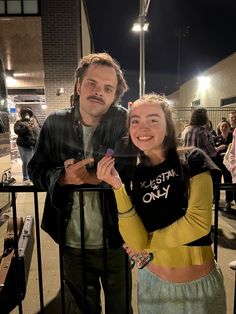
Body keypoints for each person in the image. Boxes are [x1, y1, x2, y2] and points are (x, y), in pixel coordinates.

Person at [97, 93, 226, 313]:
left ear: (168, 125)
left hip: (199, 291)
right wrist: (117, 187)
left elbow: (197, 223)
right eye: (135, 121)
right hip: (152, 288)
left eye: (153, 120)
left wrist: (146, 245)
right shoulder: (138, 174)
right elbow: (135, 237)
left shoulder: (193, 159)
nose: (142, 127)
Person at [28, 52, 136, 314]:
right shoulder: (54, 123)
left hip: (117, 239)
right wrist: (62, 178)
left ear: (114, 95)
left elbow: (128, 168)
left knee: (120, 308)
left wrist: (86, 178)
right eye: (92, 83)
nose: (99, 92)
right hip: (72, 241)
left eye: (107, 88)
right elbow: (35, 170)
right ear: (78, 85)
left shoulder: (123, 122)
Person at [14, 108, 40, 184]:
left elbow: (38, 132)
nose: (27, 115)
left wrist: (35, 126)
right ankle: (26, 178)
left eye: (28, 113)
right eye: (25, 113)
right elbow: (17, 131)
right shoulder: (19, 123)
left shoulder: (33, 122)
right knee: (26, 162)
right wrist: (26, 128)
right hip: (24, 145)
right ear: (22, 115)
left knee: (33, 162)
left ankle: (33, 177)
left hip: (34, 144)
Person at [214, 120, 234, 212]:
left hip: (228, 164)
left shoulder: (232, 138)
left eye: (226, 126)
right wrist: (218, 149)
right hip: (218, 164)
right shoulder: (216, 138)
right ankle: (216, 201)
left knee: (228, 182)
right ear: (219, 128)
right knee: (217, 182)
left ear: (229, 127)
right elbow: (212, 151)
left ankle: (228, 202)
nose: (224, 128)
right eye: (222, 126)